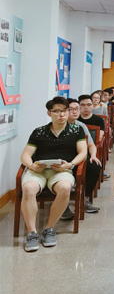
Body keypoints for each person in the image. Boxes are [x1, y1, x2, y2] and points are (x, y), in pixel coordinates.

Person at [20, 97, 87, 252]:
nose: (61, 114)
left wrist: (70, 165)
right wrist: (32, 166)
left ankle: (49, 229)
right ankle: (32, 233)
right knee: (29, 188)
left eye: (64, 110)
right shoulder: (39, 132)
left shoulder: (76, 130)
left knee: (64, 187)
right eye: (56, 111)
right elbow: (25, 155)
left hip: (62, 170)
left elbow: (83, 152)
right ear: (49, 113)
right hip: (38, 170)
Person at [60, 97, 102, 218]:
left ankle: (83, 197)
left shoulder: (81, 126)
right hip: (63, 159)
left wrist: (93, 156)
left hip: (79, 157)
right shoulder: (59, 125)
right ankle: (63, 205)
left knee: (95, 166)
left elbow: (91, 145)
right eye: (71, 109)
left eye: (77, 109)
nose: (75, 112)